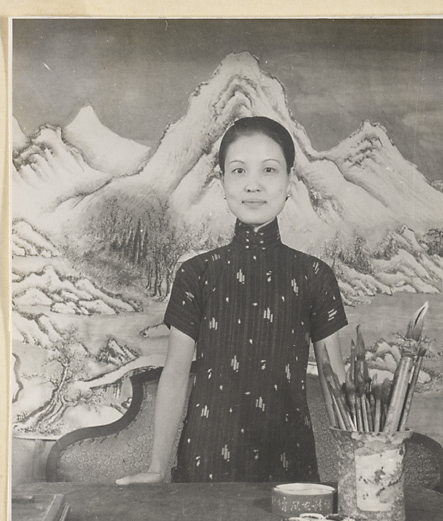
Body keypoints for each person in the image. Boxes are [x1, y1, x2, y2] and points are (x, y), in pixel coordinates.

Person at [117, 116, 348, 485]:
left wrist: (358, 468)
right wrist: (157, 469)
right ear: (221, 181)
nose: (253, 185)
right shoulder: (196, 274)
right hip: (204, 463)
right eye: (238, 170)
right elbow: (175, 374)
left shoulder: (314, 276)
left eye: (269, 170)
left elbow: (335, 382)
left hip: (291, 468)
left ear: (290, 182)